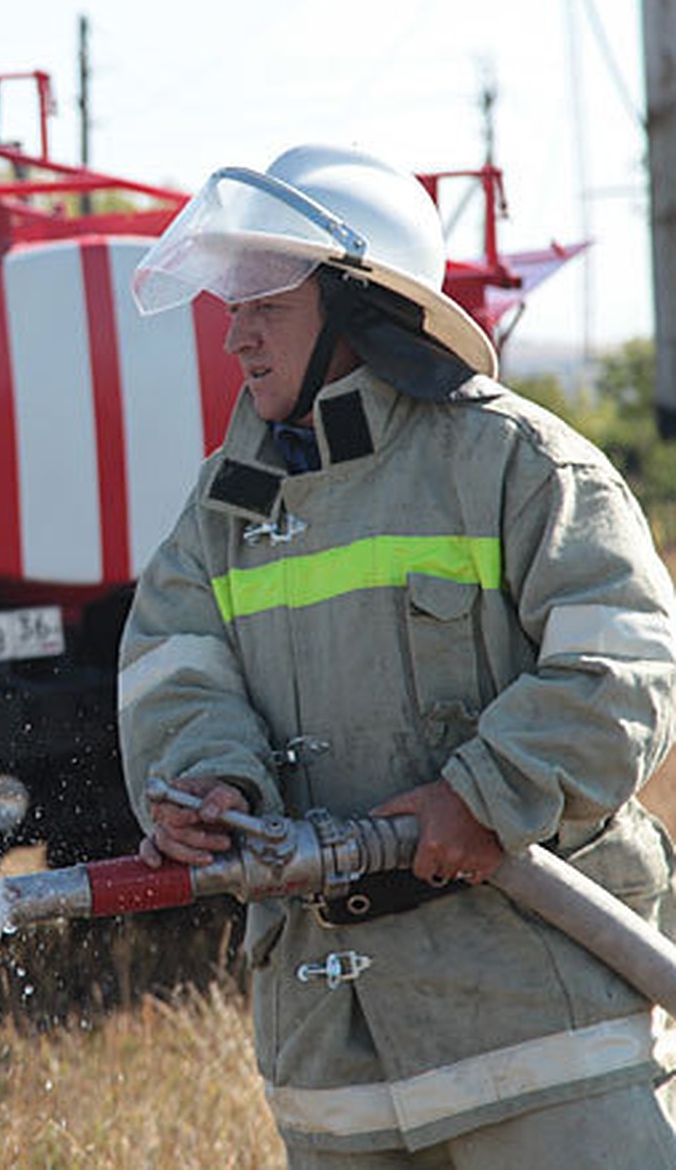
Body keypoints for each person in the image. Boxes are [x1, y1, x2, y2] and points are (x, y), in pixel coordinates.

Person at [117, 144, 676, 1168]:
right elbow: (173, 677)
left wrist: (483, 797)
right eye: (230, 301)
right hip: (337, 1066)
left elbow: (624, 669)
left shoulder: (513, 464)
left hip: (539, 1032)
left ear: (357, 307)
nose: (233, 332)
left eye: (263, 303)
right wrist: (202, 785)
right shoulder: (225, 510)